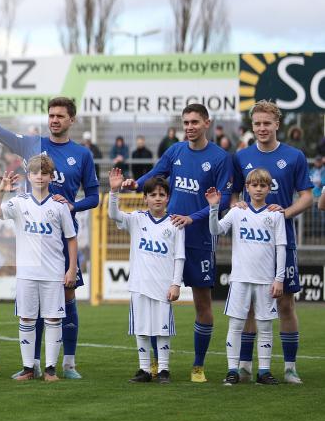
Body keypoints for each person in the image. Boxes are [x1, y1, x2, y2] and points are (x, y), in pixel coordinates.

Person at [0, 71, 99, 379]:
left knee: (66, 298)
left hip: (62, 236)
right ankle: (34, 364)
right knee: (34, 304)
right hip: (33, 238)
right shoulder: (32, 145)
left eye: (60, 116)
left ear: (72, 120)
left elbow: (94, 197)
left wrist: (73, 205)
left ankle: (68, 363)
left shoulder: (82, 154)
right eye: (51, 115)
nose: (54, 120)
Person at [124, 103, 232, 383]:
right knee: (157, 302)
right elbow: (155, 175)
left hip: (200, 240)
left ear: (207, 122)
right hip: (168, 239)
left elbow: (224, 202)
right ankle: (157, 366)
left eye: (195, 121)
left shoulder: (220, 158)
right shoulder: (175, 151)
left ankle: (198, 366)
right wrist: (135, 184)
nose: (189, 127)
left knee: (203, 305)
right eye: (185, 122)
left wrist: (192, 218)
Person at [230, 101, 313, 384]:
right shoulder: (241, 157)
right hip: (251, 246)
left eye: (267, 123)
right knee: (251, 307)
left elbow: (307, 196)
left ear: (277, 124)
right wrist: (236, 207)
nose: (262, 128)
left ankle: (290, 367)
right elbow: (233, 197)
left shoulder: (294, 156)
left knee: (286, 304)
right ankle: (244, 366)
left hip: (281, 244)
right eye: (257, 124)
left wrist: (284, 214)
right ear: (252, 126)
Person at [0, 156, 77, 382]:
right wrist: (1, 190)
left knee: (53, 319)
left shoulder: (59, 205)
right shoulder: (19, 202)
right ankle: (28, 368)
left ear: (50, 177)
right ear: (29, 176)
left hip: (53, 272)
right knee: (27, 319)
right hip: (27, 274)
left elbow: (71, 239)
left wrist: (71, 269)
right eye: (35, 172)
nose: (39, 176)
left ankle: (50, 370)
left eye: (44, 173)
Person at [207, 171, 285, 386]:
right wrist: (214, 208)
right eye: (254, 185)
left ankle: (264, 371)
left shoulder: (276, 214)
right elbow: (216, 230)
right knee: (236, 324)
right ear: (247, 188)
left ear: (269, 188)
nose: (258, 189)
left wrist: (279, 278)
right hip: (240, 278)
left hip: (266, 280)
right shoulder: (236, 211)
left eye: (263, 185)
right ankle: (233, 370)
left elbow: (281, 248)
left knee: (265, 327)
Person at [108, 169, 184, 384]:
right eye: (153, 195)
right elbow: (114, 215)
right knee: (141, 328)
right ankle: (144, 369)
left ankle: (164, 370)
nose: (157, 198)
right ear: (145, 198)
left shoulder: (175, 223)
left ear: (168, 197)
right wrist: (114, 192)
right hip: (140, 284)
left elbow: (180, 257)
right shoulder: (137, 218)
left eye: (161, 195)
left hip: (163, 286)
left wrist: (176, 284)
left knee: (162, 330)